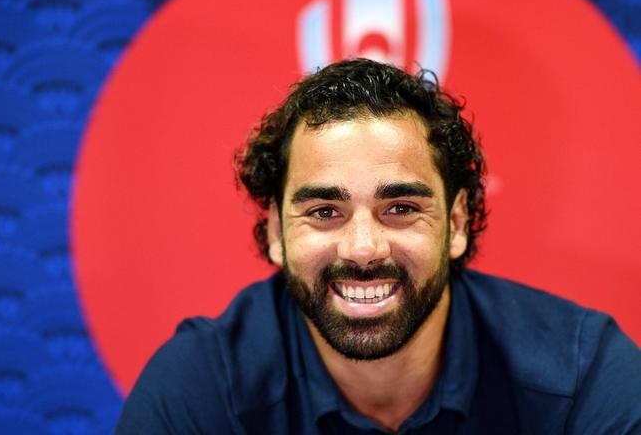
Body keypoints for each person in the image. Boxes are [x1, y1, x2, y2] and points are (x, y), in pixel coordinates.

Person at [116, 59, 641, 434]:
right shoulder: (202, 387)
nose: (363, 250)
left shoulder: (580, 375)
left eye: (401, 209)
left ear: (456, 223)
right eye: (325, 212)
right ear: (276, 232)